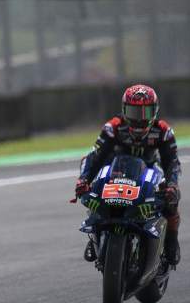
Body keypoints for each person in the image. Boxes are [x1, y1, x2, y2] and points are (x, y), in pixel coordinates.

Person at [75, 84, 181, 265]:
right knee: (90, 168)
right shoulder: (113, 127)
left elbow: (171, 162)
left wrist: (171, 184)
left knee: (171, 196)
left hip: (148, 171)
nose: (139, 119)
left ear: (154, 111)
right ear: (124, 110)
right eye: (134, 112)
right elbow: (96, 156)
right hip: (117, 169)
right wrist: (84, 180)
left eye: (145, 113)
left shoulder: (163, 131)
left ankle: (172, 239)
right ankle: (95, 233)